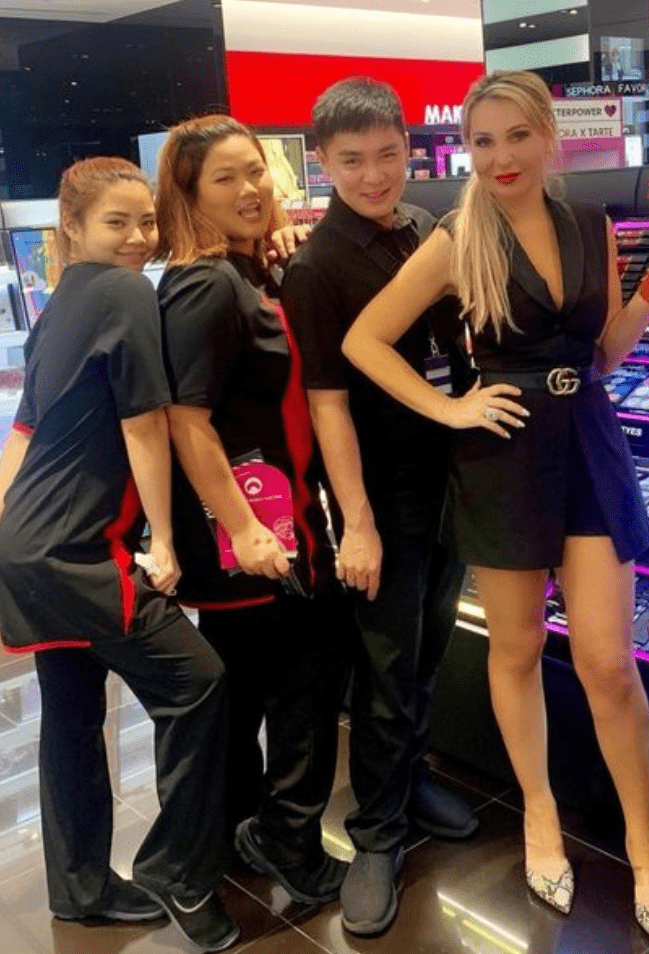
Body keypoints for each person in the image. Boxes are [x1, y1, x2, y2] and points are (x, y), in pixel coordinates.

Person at [342, 69, 649, 946]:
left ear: (549, 136)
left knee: (608, 663)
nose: (501, 156)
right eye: (482, 141)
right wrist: (450, 407)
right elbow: (362, 340)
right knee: (517, 648)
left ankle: (645, 846)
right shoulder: (458, 238)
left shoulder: (589, 222)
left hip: (589, 443)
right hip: (503, 457)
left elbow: (604, 356)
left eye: (516, 135)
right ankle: (538, 813)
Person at [0, 157, 237, 953]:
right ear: (71, 226)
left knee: (71, 715)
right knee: (197, 684)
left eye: (146, 221)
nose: (138, 238)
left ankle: (79, 888)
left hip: (32, 545)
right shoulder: (125, 292)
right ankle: (177, 867)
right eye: (116, 222)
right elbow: (146, 424)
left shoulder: (61, 299)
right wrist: (162, 538)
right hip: (76, 552)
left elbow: (25, 429)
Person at [282, 77, 475, 937]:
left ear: (409, 148)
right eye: (352, 160)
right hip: (383, 492)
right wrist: (355, 522)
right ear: (322, 162)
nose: (373, 175)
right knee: (387, 667)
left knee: (428, 649)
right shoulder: (317, 266)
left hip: (453, 476)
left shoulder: (426, 229)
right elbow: (327, 405)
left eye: (388, 155)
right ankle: (376, 832)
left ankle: (412, 780)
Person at [154, 116, 353, 909]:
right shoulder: (206, 284)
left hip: (267, 521)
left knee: (246, 688)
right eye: (226, 178)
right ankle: (288, 842)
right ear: (190, 195)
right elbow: (187, 421)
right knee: (308, 682)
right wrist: (244, 530)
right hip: (255, 533)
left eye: (256, 171)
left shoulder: (242, 270)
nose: (250, 189)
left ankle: (238, 827)